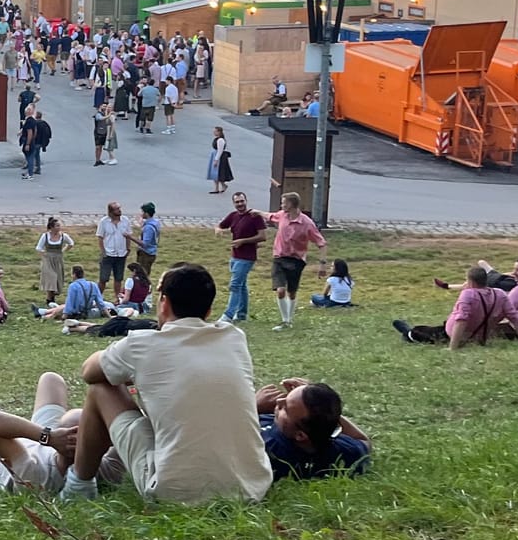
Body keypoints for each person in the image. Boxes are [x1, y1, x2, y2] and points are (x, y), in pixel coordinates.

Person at [62, 262, 273, 504]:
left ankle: (78, 486)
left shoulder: (140, 345)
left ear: (164, 302)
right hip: (251, 488)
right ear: (208, 309)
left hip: (174, 492)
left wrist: (132, 369)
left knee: (100, 388)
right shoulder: (234, 338)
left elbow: (89, 371)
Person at [254, 379, 371, 481]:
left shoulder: (267, 451)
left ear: (300, 435)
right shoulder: (342, 453)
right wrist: (321, 402)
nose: (278, 401)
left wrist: (253, 408)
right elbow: (363, 440)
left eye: (285, 408)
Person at [392, 266, 510, 346]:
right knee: (431, 328)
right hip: (480, 335)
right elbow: (515, 317)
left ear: (471, 282)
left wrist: (453, 346)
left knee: (417, 333)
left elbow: (461, 321)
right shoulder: (498, 294)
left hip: (456, 335)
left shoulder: (468, 295)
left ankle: (407, 332)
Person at [265, 193, 326, 331]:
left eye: (284, 203)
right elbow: (270, 215)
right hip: (279, 258)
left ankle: (290, 319)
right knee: (280, 290)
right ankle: (285, 321)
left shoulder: (307, 223)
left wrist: (322, 264)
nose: (281, 206)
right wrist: (255, 212)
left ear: (291, 204)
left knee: (292, 293)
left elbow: (321, 243)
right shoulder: (282, 215)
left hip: (296, 260)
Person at [217, 192, 268, 322]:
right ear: (234, 203)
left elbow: (262, 236)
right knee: (242, 285)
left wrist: (243, 241)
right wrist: (218, 229)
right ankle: (241, 314)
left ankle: (228, 315)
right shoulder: (233, 216)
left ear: (246, 201)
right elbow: (221, 225)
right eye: (237, 202)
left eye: (242, 201)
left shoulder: (254, 216)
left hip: (247, 257)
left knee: (235, 285)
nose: (240, 204)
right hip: (235, 255)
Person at [34, 265, 108, 322]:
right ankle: (41, 312)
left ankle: (44, 316)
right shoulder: (93, 285)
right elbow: (100, 303)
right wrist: (109, 316)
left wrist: (64, 317)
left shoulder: (73, 286)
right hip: (88, 312)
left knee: (62, 308)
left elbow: (70, 303)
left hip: (77, 314)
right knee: (63, 306)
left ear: (74, 275)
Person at [36, 217, 75, 305]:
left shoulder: (63, 236)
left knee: (57, 279)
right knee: (51, 278)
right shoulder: (45, 236)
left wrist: (63, 251)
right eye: (57, 226)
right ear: (52, 227)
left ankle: (52, 298)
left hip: (58, 259)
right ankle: (49, 299)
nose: (59, 227)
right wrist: (45, 255)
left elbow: (71, 243)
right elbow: (38, 248)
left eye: (59, 225)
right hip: (48, 260)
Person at [95, 202, 132, 291]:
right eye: (117, 209)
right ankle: (98, 297)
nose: (119, 210)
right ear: (111, 211)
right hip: (108, 254)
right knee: (103, 278)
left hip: (121, 254)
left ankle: (117, 298)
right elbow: (100, 237)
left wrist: (128, 248)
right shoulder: (104, 222)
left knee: (118, 278)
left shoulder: (125, 220)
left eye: (119, 208)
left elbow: (128, 236)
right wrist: (103, 252)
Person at [135, 203, 160, 275]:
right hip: (152, 252)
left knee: (142, 275)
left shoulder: (148, 227)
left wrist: (130, 237)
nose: (141, 213)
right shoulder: (155, 222)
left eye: (142, 212)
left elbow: (144, 244)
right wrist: (140, 222)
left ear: (146, 213)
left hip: (145, 254)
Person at [208, 126, 233, 194]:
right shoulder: (217, 139)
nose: (214, 132)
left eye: (215, 131)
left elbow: (220, 151)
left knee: (217, 173)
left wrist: (216, 160)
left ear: (219, 132)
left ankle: (218, 188)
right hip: (217, 156)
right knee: (216, 173)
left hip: (220, 158)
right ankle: (222, 186)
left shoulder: (220, 140)